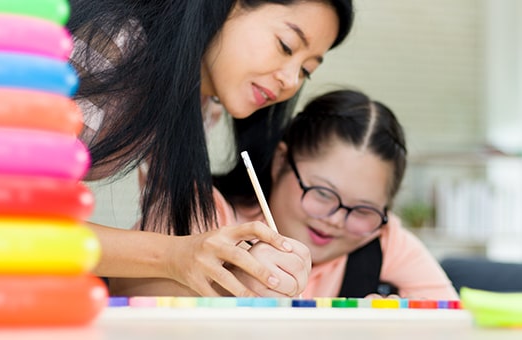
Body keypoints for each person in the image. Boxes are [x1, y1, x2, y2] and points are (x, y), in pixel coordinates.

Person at [68, 0, 353, 297]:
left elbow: (139, 282)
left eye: (306, 70)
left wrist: (234, 275)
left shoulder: (202, 105)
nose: (290, 80)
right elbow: (20, 226)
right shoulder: (114, 45)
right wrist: (175, 255)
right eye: (286, 45)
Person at [111, 90, 458, 300]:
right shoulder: (206, 211)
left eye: (363, 209)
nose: (336, 219)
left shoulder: (380, 238)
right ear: (280, 161)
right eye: (322, 193)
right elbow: (125, 291)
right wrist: (235, 280)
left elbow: (452, 316)